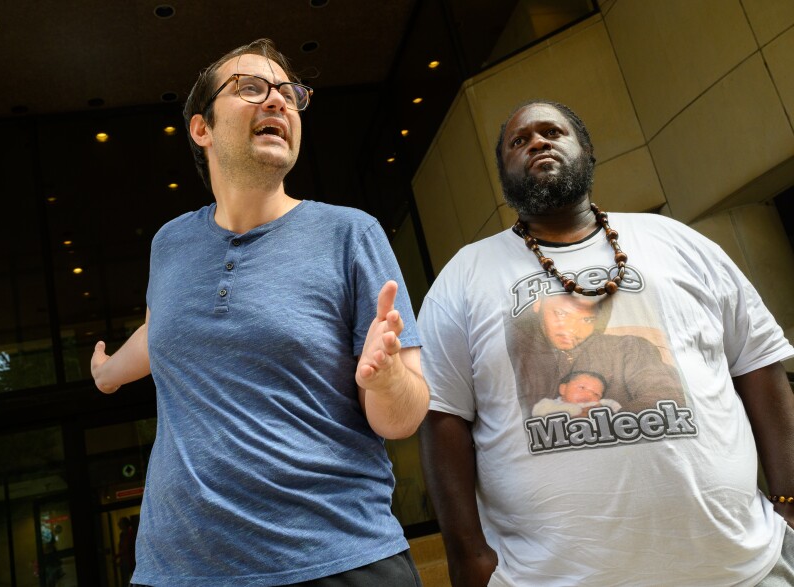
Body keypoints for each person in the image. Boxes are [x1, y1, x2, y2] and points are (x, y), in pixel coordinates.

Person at [90, 39, 428, 587]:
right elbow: (167, 330)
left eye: (289, 93)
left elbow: (403, 417)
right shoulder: (170, 243)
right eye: (251, 88)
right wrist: (108, 375)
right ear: (201, 128)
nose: (278, 102)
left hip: (339, 561)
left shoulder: (350, 233)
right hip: (177, 571)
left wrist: (388, 380)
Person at [417, 100, 794, 586]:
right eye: (519, 140)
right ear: (503, 172)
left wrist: (788, 500)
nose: (537, 141)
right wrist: (468, 558)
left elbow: (759, 365)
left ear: (586, 151)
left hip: (742, 567)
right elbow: (441, 415)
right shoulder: (464, 276)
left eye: (553, 131)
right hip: (549, 578)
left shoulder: (677, 241)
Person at [512, 289, 685, 415]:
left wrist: (598, 422)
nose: (573, 330)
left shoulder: (628, 348)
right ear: (538, 304)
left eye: (587, 319)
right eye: (561, 314)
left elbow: (667, 395)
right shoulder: (515, 352)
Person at [531, 370, 620, 418]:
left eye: (596, 394)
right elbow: (538, 414)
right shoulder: (547, 404)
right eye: (582, 388)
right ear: (563, 389)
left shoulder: (595, 411)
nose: (589, 395)